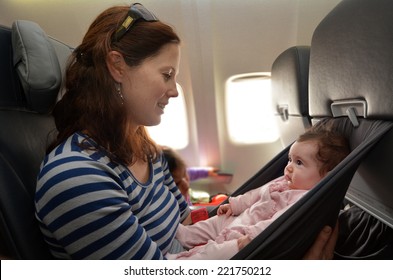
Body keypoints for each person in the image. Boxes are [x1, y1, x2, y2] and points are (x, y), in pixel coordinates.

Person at [34, 3, 340, 260]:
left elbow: (183, 220)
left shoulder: (146, 149)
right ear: (117, 67)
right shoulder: (76, 177)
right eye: (167, 75)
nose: (174, 91)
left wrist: (238, 209)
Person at [166, 129, 350, 259]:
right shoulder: (282, 182)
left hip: (246, 236)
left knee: (216, 252)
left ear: (326, 176)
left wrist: (253, 237)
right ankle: (183, 234)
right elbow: (254, 194)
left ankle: (183, 262)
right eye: (290, 159)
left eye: (299, 163)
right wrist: (235, 204)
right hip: (239, 218)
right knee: (213, 223)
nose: (289, 167)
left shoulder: (303, 200)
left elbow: (277, 223)